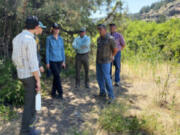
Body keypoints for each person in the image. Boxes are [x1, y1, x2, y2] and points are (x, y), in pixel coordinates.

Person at [12, 16, 42, 135]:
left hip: (21, 74)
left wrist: (20, 68)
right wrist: (38, 81)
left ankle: (29, 127)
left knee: (30, 102)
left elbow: (14, 58)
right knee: (29, 104)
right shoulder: (30, 39)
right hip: (30, 76)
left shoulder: (16, 38)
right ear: (35, 27)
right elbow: (33, 64)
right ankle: (25, 131)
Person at [96, 24, 119, 103]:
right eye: (98, 29)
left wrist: (112, 56)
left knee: (107, 78)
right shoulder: (98, 39)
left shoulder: (110, 39)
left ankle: (111, 96)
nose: (99, 31)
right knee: (99, 77)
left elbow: (115, 49)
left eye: (101, 29)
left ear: (105, 30)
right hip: (98, 61)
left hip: (106, 62)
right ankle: (102, 92)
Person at [46, 23, 66, 99]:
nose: (57, 30)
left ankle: (53, 93)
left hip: (60, 60)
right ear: (53, 29)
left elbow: (62, 50)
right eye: (55, 28)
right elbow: (47, 50)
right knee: (57, 76)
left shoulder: (61, 39)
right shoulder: (49, 38)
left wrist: (64, 61)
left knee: (55, 77)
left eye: (58, 28)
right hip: (52, 60)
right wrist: (47, 62)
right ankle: (60, 93)